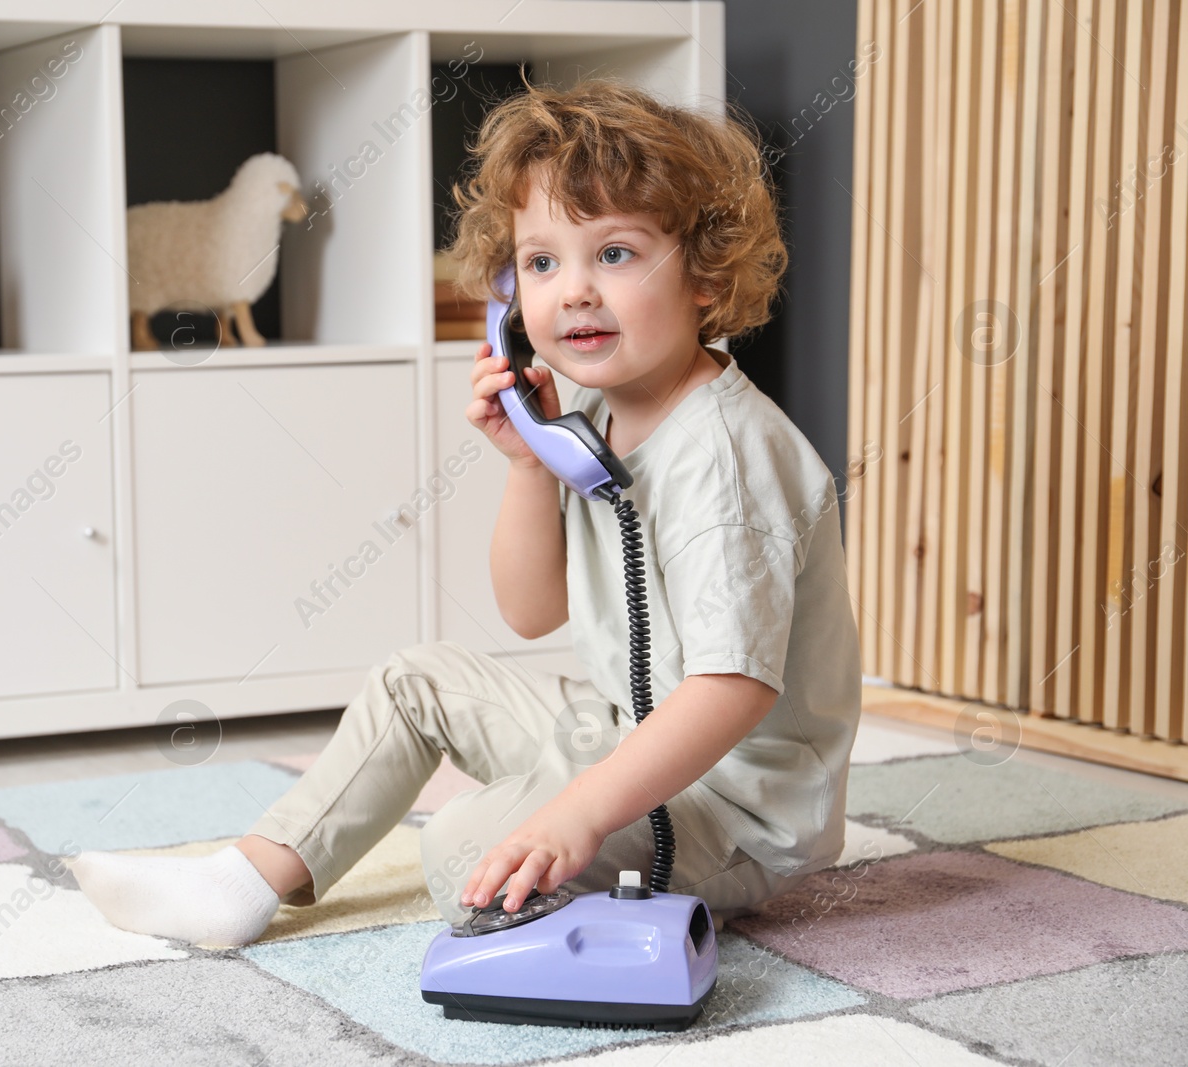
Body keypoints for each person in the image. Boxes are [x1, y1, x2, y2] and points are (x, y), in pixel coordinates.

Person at [68, 76, 862, 949]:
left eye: (617, 254)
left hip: (736, 808)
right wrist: (529, 462)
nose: (573, 293)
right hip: (627, 733)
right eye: (542, 262)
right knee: (414, 679)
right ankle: (245, 878)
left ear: (706, 277)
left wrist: (574, 816)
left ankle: (617, 877)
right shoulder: (593, 413)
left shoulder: (729, 460)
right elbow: (530, 612)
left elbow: (731, 686)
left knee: (462, 851)